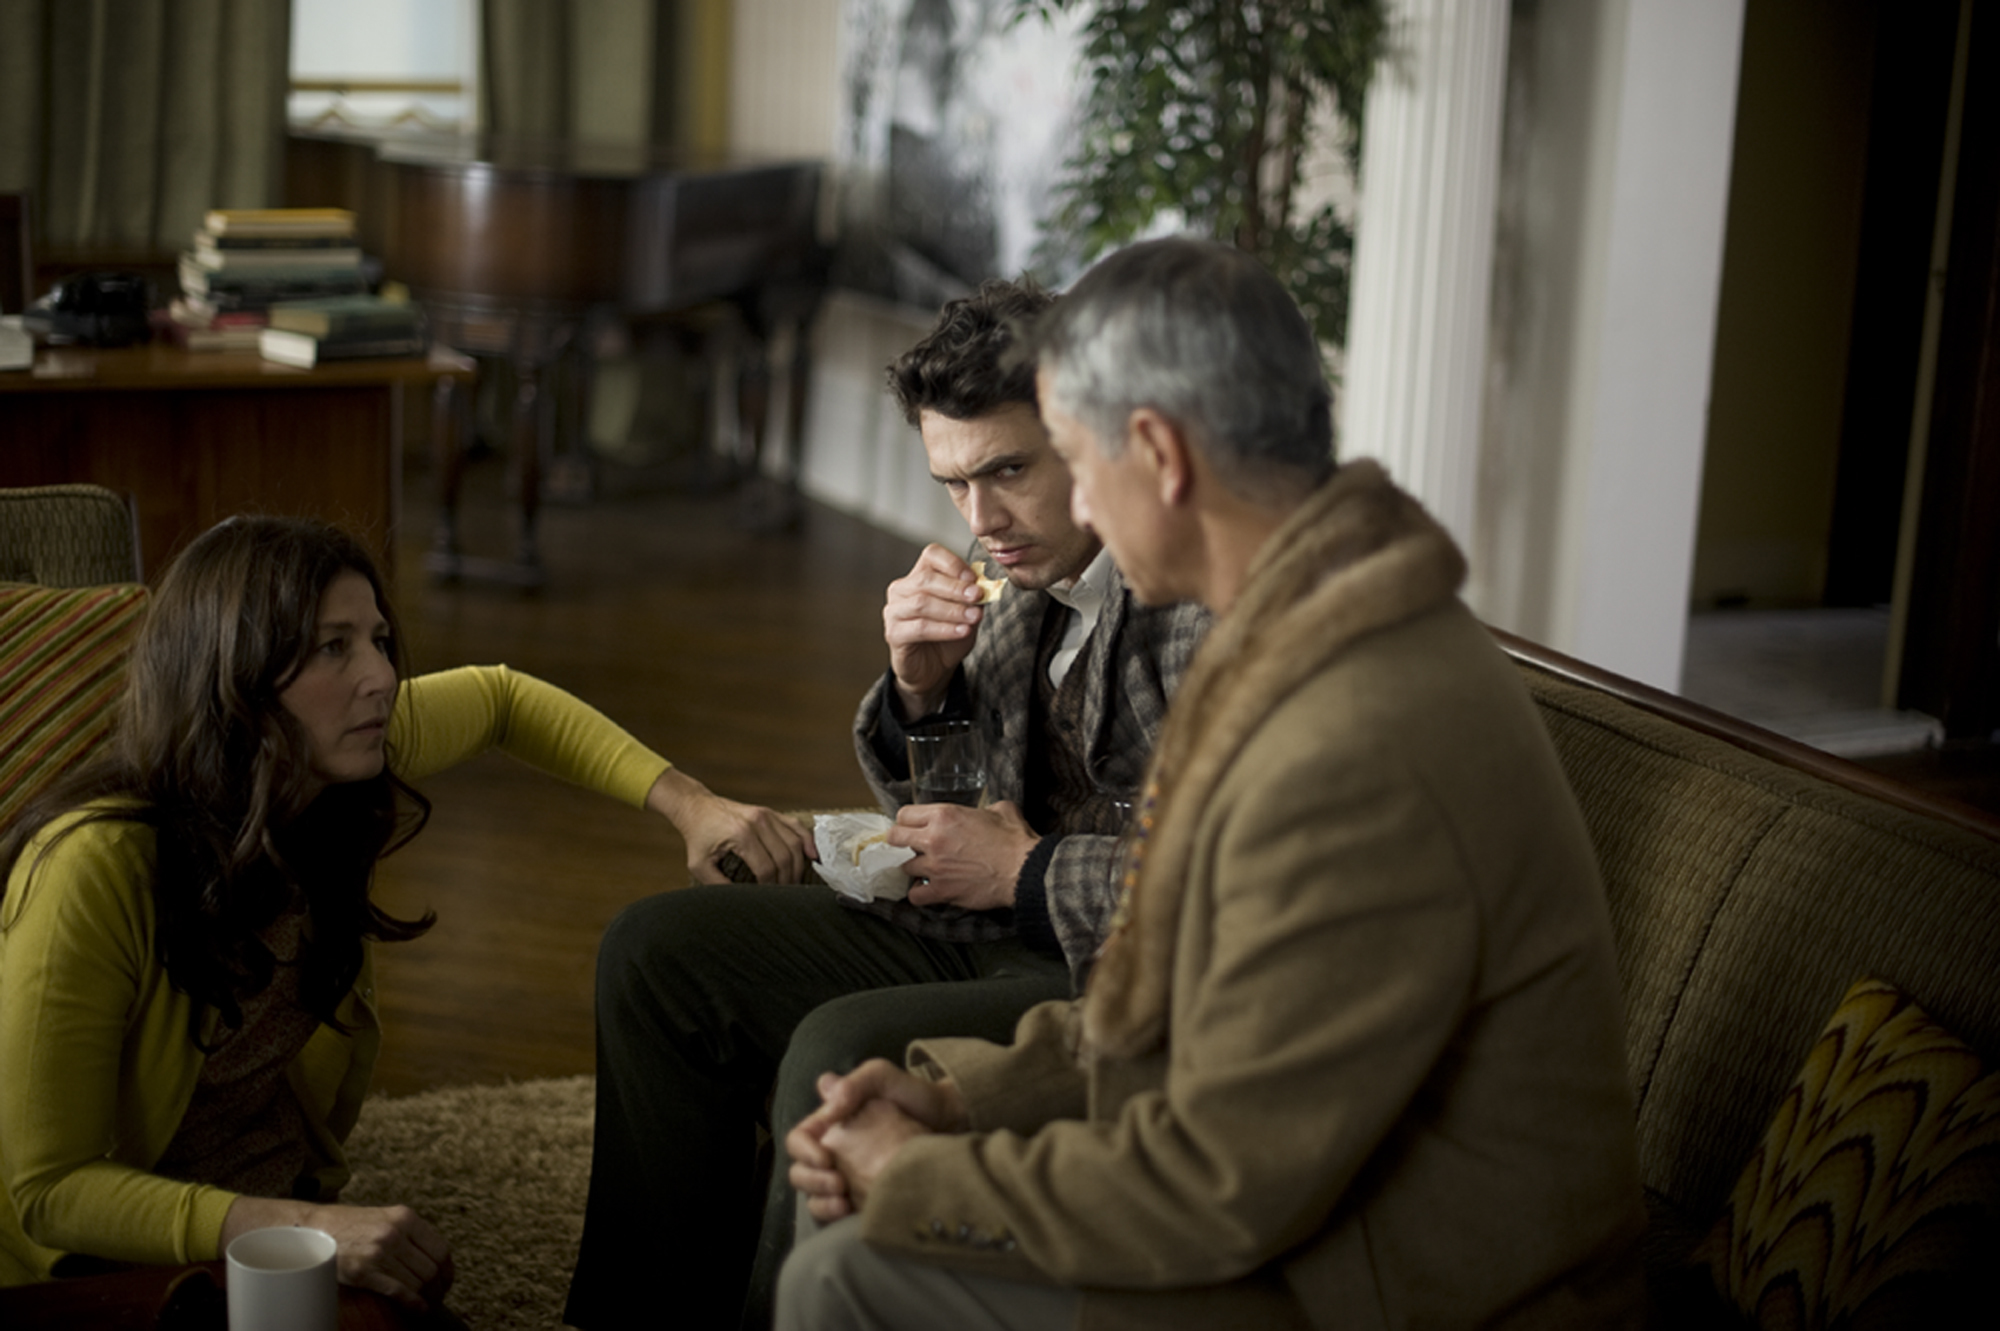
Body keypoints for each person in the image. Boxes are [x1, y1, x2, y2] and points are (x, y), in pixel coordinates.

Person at [779, 238, 1650, 1330]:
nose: (1063, 510)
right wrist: (959, 1102)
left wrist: (917, 1173)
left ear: (1158, 453)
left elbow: (1218, 1184)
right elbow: (1179, 991)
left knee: (844, 1271)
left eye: (1071, 460)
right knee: (859, 1224)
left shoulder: (1350, 736)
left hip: (1388, 1290)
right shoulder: (1294, 631)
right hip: (1318, 1234)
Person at [565, 278, 1210, 1330]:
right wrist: (923, 687)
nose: (980, 520)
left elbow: (1226, 886)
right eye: (951, 483)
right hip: (995, 931)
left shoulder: (1200, 604)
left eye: (1007, 470)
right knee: (653, 953)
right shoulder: (1009, 577)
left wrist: (1024, 868)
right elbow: (958, 805)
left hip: (1118, 981)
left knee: (841, 1051)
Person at [0, 516, 813, 1309]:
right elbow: (48, 1189)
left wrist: (691, 805)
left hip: (270, 1219)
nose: (381, 677)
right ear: (234, 676)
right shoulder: (93, 866)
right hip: (109, 1261)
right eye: (333, 646)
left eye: (379, 640)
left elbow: (503, 699)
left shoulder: (329, 759)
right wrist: (303, 1225)